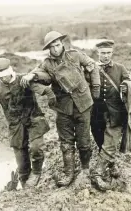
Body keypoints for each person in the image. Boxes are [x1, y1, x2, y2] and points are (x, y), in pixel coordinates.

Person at [20, 31, 100, 187]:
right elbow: (36, 75)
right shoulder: (47, 64)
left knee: (84, 141)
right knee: (66, 142)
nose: (56, 49)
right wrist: (35, 79)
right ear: (48, 49)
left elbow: (93, 66)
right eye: (52, 47)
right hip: (63, 108)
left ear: (62, 44)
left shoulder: (75, 55)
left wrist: (95, 87)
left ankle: (85, 169)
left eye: (58, 45)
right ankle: (69, 172)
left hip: (83, 104)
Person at [0, 58, 50, 189]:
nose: (3, 79)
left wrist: (34, 75)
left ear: (10, 71)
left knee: (36, 148)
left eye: (4, 76)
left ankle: (36, 173)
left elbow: (46, 79)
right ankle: (25, 186)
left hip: (33, 120)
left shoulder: (24, 80)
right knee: (21, 161)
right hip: (16, 127)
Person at [90, 39, 130, 191]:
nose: (106, 56)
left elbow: (128, 81)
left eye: (108, 53)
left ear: (112, 53)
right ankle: (111, 164)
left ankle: (98, 173)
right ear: (98, 53)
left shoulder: (120, 68)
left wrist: (125, 86)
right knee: (101, 142)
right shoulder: (91, 68)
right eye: (103, 53)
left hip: (116, 112)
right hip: (97, 112)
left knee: (110, 142)